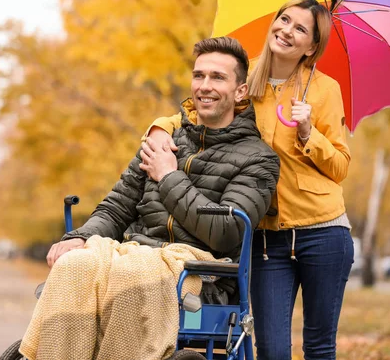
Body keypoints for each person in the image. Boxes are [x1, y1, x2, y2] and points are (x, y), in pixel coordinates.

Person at [20, 36, 280, 360]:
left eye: (218, 77)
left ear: (240, 90)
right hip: (134, 252)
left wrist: (170, 176)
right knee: (76, 264)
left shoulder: (259, 159)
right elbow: (117, 206)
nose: (204, 86)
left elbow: (226, 232)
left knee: (135, 275)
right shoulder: (162, 139)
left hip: (202, 273)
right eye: (199, 75)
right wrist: (81, 236)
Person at [147, 0, 353, 360]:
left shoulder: (324, 90)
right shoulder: (247, 78)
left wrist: (309, 133)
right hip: (265, 238)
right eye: (284, 19)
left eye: (301, 29)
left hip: (323, 231)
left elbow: (340, 167)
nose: (287, 30)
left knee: (320, 346)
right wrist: (160, 127)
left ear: (312, 47)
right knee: (271, 349)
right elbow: (196, 109)